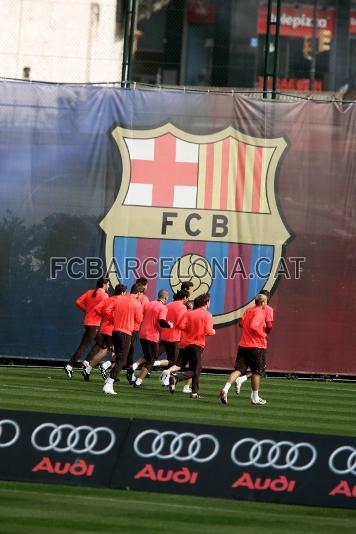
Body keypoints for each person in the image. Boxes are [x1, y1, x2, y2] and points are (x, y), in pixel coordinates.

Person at [220, 293, 268, 406]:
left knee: (239, 370)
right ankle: (255, 398)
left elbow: (241, 324)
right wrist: (262, 334)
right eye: (266, 301)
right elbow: (253, 326)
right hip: (255, 346)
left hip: (243, 345)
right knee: (257, 372)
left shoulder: (248, 310)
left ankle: (225, 389)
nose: (266, 303)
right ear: (263, 303)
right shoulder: (260, 312)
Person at [169, 293, 215, 399]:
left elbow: (180, 325)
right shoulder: (207, 314)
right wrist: (213, 331)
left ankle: (194, 392)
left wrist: (190, 329)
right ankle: (177, 378)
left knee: (192, 368)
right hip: (196, 345)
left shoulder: (189, 313)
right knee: (196, 370)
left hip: (185, 344)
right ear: (206, 302)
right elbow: (208, 331)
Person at [64, 277, 110, 378]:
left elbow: (78, 302)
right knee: (84, 346)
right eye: (108, 284)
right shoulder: (104, 295)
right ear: (103, 284)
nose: (109, 286)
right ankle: (70, 365)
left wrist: (87, 311)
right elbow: (106, 310)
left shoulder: (90, 292)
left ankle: (86, 362)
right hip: (94, 324)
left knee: (102, 344)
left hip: (88, 322)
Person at [102, 284, 143, 395]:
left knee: (119, 356)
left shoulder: (119, 299)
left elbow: (106, 311)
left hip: (115, 331)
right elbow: (139, 319)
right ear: (139, 293)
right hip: (126, 333)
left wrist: (115, 319)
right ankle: (109, 383)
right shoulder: (137, 303)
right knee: (121, 359)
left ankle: (109, 380)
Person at [81, 283, 127, 381]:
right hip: (112, 330)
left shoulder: (109, 299)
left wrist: (107, 317)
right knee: (105, 351)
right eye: (125, 292)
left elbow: (98, 309)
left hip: (105, 328)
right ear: (123, 292)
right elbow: (106, 311)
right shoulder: (119, 300)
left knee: (113, 351)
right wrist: (113, 318)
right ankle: (91, 369)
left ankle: (111, 372)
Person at [234, 289, 274, 394]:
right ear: (266, 300)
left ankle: (247, 387)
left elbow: (241, 324)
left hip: (245, 342)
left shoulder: (249, 309)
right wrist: (264, 333)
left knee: (246, 367)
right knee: (260, 368)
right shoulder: (268, 309)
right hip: (258, 342)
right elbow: (269, 325)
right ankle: (248, 387)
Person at [132, 289, 172, 388]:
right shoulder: (163, 307)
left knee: (148, 357)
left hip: (142, 334)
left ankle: (133, 367)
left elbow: (140, 315)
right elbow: (161, 321)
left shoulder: (148, 304)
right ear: (165, 297)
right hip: (152, 336)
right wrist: (169, 325)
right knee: (151, 360)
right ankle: (138, 382)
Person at [126, 281, 149, 385]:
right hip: (134, 327)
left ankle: (130, 371)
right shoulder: (143, 299)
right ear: (142, 287)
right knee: (127, 350)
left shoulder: (126, 296)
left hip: (123, 326)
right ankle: (108, 365)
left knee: (127, 349)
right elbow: (141, 316)